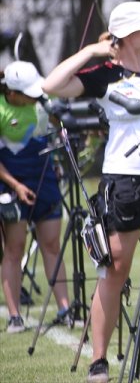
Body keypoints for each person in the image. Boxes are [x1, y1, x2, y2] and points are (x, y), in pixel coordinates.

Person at [42, 1, 140, 383]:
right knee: (115, 267)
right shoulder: (105, 74)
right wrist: (92, 50)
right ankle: (98, 360)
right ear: (129, 35)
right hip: (126, 179)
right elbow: (51, 86)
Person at [0, 61, 71, 333]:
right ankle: (15, 316)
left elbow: (62, 126)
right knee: (15, 248)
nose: (35, 96)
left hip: (45, 182)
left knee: (51, 244)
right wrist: (16, 186)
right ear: (12, 93)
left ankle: (65, 309)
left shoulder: (43, 103)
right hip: (11, 185)